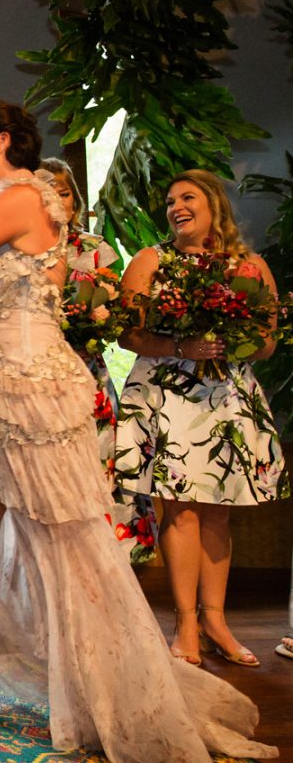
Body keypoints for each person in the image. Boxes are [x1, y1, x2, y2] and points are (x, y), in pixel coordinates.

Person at [0, 99, 275, 761]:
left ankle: (111, 684)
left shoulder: (23, 196)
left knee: (64, 540)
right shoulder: (17, 204)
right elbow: (19, 305)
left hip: (29, 394)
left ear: (4, 139)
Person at [115, 169, 288, 668]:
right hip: (167, 395)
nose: (176, 207)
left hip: (227, 397)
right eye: (171, 201)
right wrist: (181, 346)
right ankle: (185, 622)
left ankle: (215, 621)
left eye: (187, 197)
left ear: (214, 205)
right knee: (181, 509)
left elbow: (267, 341)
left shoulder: (249, 266)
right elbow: (128, 334)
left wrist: (234, 341)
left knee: (218, 510)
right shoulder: (151, 260)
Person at [38, 158, 158, 563]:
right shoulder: (19, 248)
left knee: (97, 467)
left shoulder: (94, 249)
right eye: (47, 192)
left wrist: (93, 324)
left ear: (75, 199)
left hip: (87, 374)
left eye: (64, 192)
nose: (57, 199)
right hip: (34, 379)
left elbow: (117, 315)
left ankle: (105, 564)